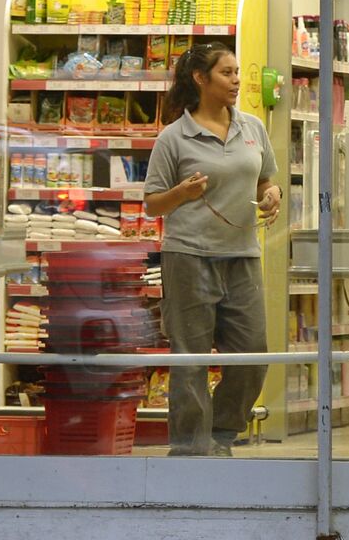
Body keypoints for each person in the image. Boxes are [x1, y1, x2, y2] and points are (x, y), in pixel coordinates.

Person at [143, 43, 282, 458]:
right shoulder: (174, 137)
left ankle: (221, 433)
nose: (236, 80)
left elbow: (266, 180)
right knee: (191, 360)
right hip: (188, 256)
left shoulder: (253, 128)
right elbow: (152, 204)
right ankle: (189, 449)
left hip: (242, 256)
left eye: (238, 72)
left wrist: (271, 194)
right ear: (200, 80)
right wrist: (181, 193)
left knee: (253, 356)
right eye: (226, 73)